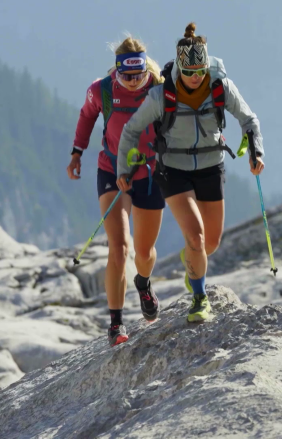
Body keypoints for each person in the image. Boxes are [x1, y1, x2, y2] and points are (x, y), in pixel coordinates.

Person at [116, 23, 265, 323]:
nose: (196, 78)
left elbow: (249, 120)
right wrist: (123, 169)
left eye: (200, 71)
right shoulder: (162, 96)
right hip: (173, 170)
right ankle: (200, 299)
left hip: (211, 167)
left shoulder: (221, 87)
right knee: (196, 237)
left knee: (210, 244)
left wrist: (256, 151)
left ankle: (192, 261)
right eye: (189, 72)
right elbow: (131, 131)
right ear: (180, 69)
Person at [67, 36, 165, 346]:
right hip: (111, 170)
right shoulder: (103, 90)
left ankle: (143, 282)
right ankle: (116, 323)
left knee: (145, 254)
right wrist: (76, 152)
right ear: (117, 71)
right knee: (120, 247)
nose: (135, 82)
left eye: (139, 76)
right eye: (128, 76)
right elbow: (86, 115)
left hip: (149, 173)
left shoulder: (159, 89)